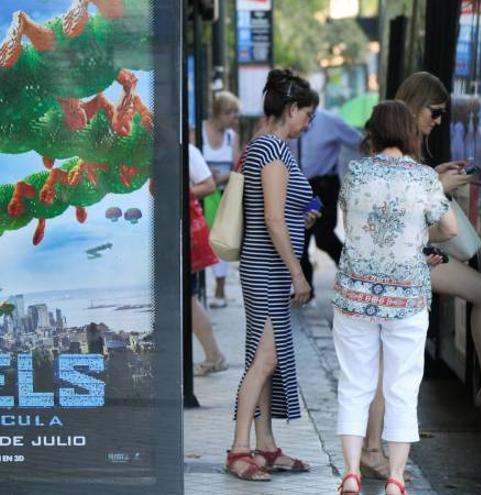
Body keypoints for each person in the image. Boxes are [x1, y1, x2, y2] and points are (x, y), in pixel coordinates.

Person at [358, 72, 481, 479]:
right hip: (405, 264)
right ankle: (372, 449)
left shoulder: (393, 145)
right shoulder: (395, 148)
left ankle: (373, 448)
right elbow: (400, 207)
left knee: (389, 364)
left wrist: (435, 176)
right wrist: (438, 186)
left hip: (404, 263)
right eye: (435, 113)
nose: (438, 121)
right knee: (389, 364)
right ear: (415, 105)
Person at [333, 100, 457, 495]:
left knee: (355, 383)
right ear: (408, 132)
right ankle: (396, 479)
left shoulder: (355, 172)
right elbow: (449, 228)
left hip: (355, 293)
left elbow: (348, 224)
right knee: (402, 387)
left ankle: (351, 472)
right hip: (406, 299)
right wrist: (419, 237)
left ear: (373, 130)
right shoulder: (423, 179)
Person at [225, 69, 320, 482]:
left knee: (266, 357)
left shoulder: (268, 147)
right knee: (265, 358)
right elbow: (273, 220)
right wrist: (298, 273)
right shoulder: (274, 150)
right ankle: (239, 449)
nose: (309, 123)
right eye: (307, 115)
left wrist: (306, 216)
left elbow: (280, 212)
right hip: (269, 268)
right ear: (292, 109)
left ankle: (264, 445)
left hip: (267, 267)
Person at [286, 109, 362, 289]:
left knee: (323, 236)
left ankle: (353, 272)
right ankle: (305, 288)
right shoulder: (289, 121)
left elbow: (359, 142)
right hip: (300, 186)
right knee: (299, 238)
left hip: (322, 186)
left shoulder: (330, 121)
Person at [188, 143, 228, 376]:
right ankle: (213, 355)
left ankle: (214, 355)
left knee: (189, 298)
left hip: (184, 232)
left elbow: (209, 184)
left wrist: (181, 192)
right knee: (188, 298)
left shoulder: (188, 150)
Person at [202, 91, 241, 309]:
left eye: (235, 113)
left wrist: (221, 177)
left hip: (222, 193)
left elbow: (237, 165)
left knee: (221, 240)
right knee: (201, 239)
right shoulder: (198, 130)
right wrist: (207, 175)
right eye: (230, 113)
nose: (233, 118)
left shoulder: (231, 137)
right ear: (218, 112)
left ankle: (220, 288)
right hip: (202, 193)